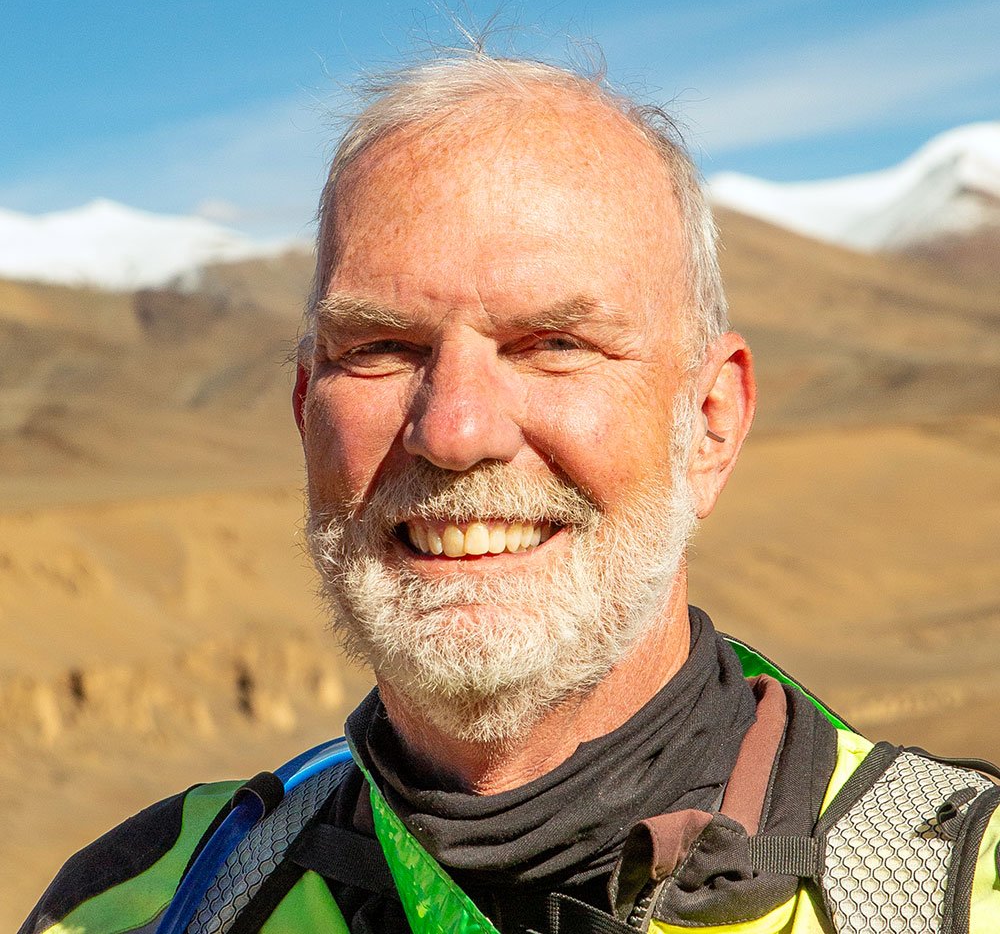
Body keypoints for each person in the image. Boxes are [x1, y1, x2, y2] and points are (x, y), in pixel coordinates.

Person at [21, 50, 1000, 934]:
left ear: (708, 424)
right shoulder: (140, 905)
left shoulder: (956, 894)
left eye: (554, 345)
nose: (453, 429)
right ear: (302, 412)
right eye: (381, 348)